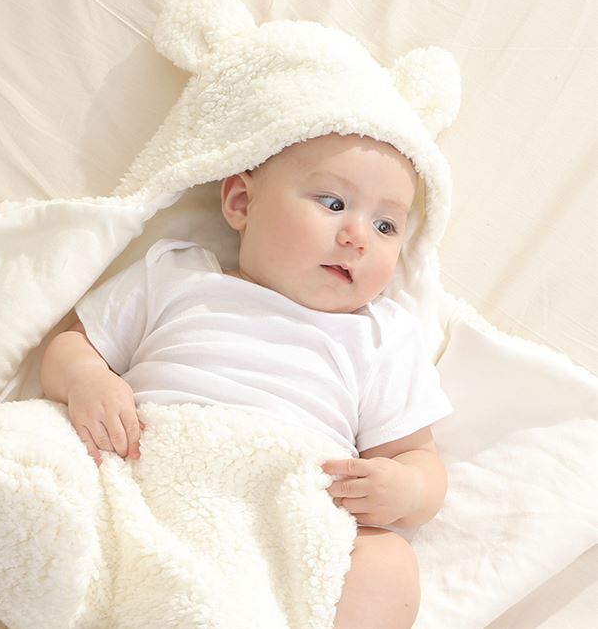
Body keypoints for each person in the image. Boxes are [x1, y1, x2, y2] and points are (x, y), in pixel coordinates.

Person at [41, 131, 452, 629]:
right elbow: (72, 344)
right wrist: (87, 379)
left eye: (386, 225)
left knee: (389, 563)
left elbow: (417, 455)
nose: (358, 236)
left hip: (284, 515)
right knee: (35, 459)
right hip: (143, 482)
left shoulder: (381, 336)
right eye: (334, 203)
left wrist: (408, 489)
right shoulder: (175, 276)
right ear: (241, 202)